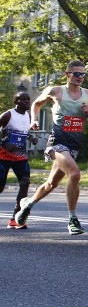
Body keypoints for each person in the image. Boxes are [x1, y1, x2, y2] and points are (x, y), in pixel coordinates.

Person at [15, 61, 88, 235]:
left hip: (74, 144)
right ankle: (72, 219)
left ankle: (27, 205)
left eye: (83, 74)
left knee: (52, 183)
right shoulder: (56, 91)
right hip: (57, 141)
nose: (80, 78)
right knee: (74, 173)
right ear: (67, 74)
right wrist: (34, 120)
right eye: (76, 74)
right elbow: (37, 104)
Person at [0, 91, 37, 229]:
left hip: (20, 157)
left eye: (28, 99)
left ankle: (16, 218)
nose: (27, 102)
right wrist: (3, 143)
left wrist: (31, 137)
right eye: (24, 100)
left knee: (25, 182)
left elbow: (24, 131)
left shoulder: (28, 115)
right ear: (16, 102)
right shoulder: (8, 115)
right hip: (3, 156)